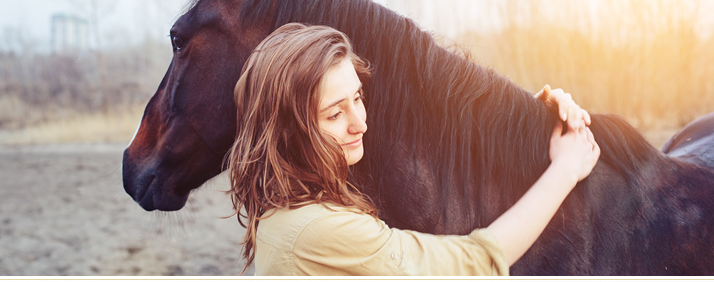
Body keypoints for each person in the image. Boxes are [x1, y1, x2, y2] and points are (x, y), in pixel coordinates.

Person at [225, 23, 600, 276]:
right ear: (288, 132)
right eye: (335, 113)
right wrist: (564, 169)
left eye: (358, 97)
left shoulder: (285, 204)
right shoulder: (318, 231)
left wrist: (526, 129)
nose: (361, 123)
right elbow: (473, 262)